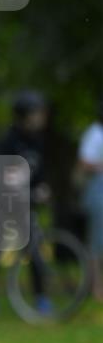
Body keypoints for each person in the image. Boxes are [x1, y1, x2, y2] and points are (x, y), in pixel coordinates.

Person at [0, 90, 51, 316]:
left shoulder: (38, 141)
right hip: (0, 203)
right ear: (25, 115)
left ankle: (41, 299)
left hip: (24, 205)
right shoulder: (8, 142)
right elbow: (2, 176)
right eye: (37, 112)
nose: (41, 116)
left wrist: (40, 188)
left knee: (34, 251)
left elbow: (37, 173)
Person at [77, 101, 103, 301]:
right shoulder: (95, 133)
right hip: (98, 192)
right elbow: (84, 162)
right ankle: (96, 288)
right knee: (96, 242)